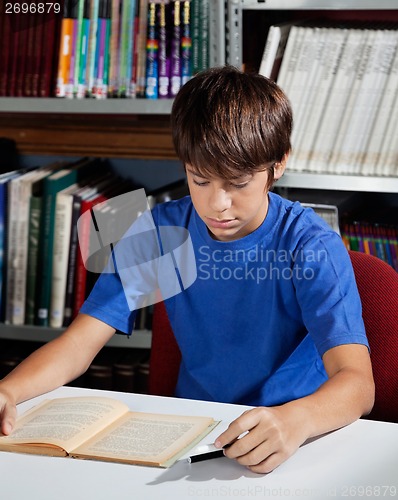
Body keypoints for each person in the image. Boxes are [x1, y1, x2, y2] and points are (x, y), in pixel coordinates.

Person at [0, 66, 374, 474]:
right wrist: (9, 389)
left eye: (238, 183)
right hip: (197, 432)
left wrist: (298, 419)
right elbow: (78, 345)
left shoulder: (310, 246)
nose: (218, 205)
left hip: (295, 432)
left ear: (278, 163)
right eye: (200, 179)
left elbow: (357, 383)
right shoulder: (161, 232)